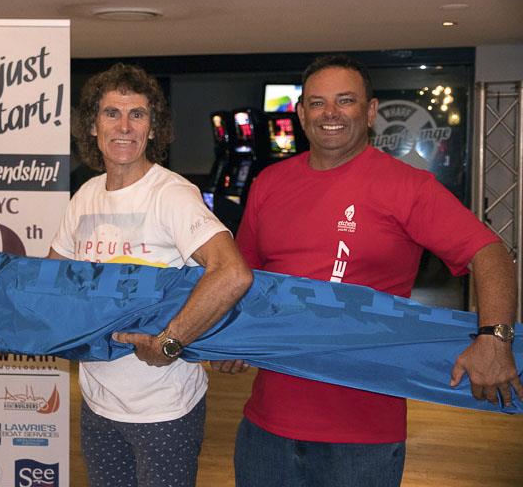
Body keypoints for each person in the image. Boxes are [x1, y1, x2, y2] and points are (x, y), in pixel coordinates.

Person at [220, 54, 522, 486]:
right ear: (301, 112)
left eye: (345, 101)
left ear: (371, 111)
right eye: (317, 102)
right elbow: (245, 276)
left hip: (362, 435)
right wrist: (230, 334)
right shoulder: (270, 182)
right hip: (266, 425)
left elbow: (490, 253)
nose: (330, 113)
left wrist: (494, 338)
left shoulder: (408, 187)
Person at [48, 63, 253, 487]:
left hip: (163, 407)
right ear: (92, 126)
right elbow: (51, 281)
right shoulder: (85, 196)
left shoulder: (172, 196)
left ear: (153, 129)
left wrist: (171, 341)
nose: (124, 126)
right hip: (98, 400)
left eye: (137, 114)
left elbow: (232, 273)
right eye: (111, 113)